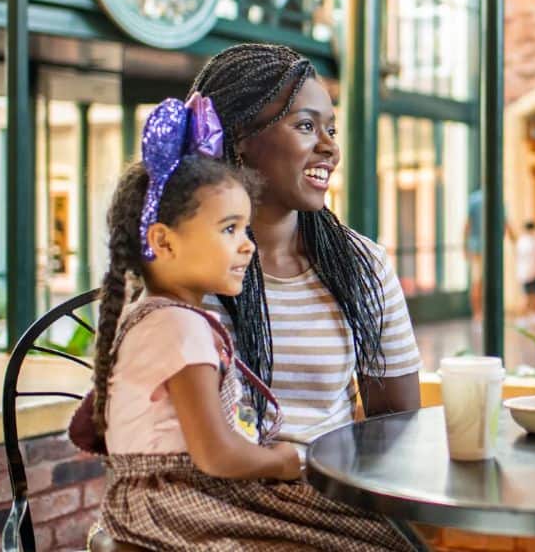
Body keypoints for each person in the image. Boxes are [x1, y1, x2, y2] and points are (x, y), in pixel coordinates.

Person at [86, 99, 409, 550]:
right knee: (369, 539)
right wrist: (279, 462)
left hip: (189, 490)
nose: (247, 246)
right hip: (181, 500)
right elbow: (215, 453)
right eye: (230, 230)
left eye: (244, 228)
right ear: (164, 241)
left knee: (371, 533)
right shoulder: (179, 331)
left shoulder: (167, 319)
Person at [188, 44, 422, 443]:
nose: (330, 148)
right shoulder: (179, 263)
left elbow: (396, 427)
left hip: (324, 493)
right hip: (210, 494)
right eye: (306, 126)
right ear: (240, 136)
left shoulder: (362, 265)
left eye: (331, 129)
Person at [464, 188, 517, 324]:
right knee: (492, 282)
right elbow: (506, 224)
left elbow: (467, 225)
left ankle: (477, 314)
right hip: (492, 249)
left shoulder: (473, 199)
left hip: (476, 247)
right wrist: (515, 241)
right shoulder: (498, 199)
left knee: (477, 282)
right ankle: (490, 313)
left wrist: (465, 247)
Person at [515, 220, 535, 326]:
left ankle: (530, 316)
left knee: (530, 296)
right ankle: (526, 316)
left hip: (524, 274)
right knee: (533, 296)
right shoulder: (533, 241)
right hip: (532, 273)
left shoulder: (521, 241)